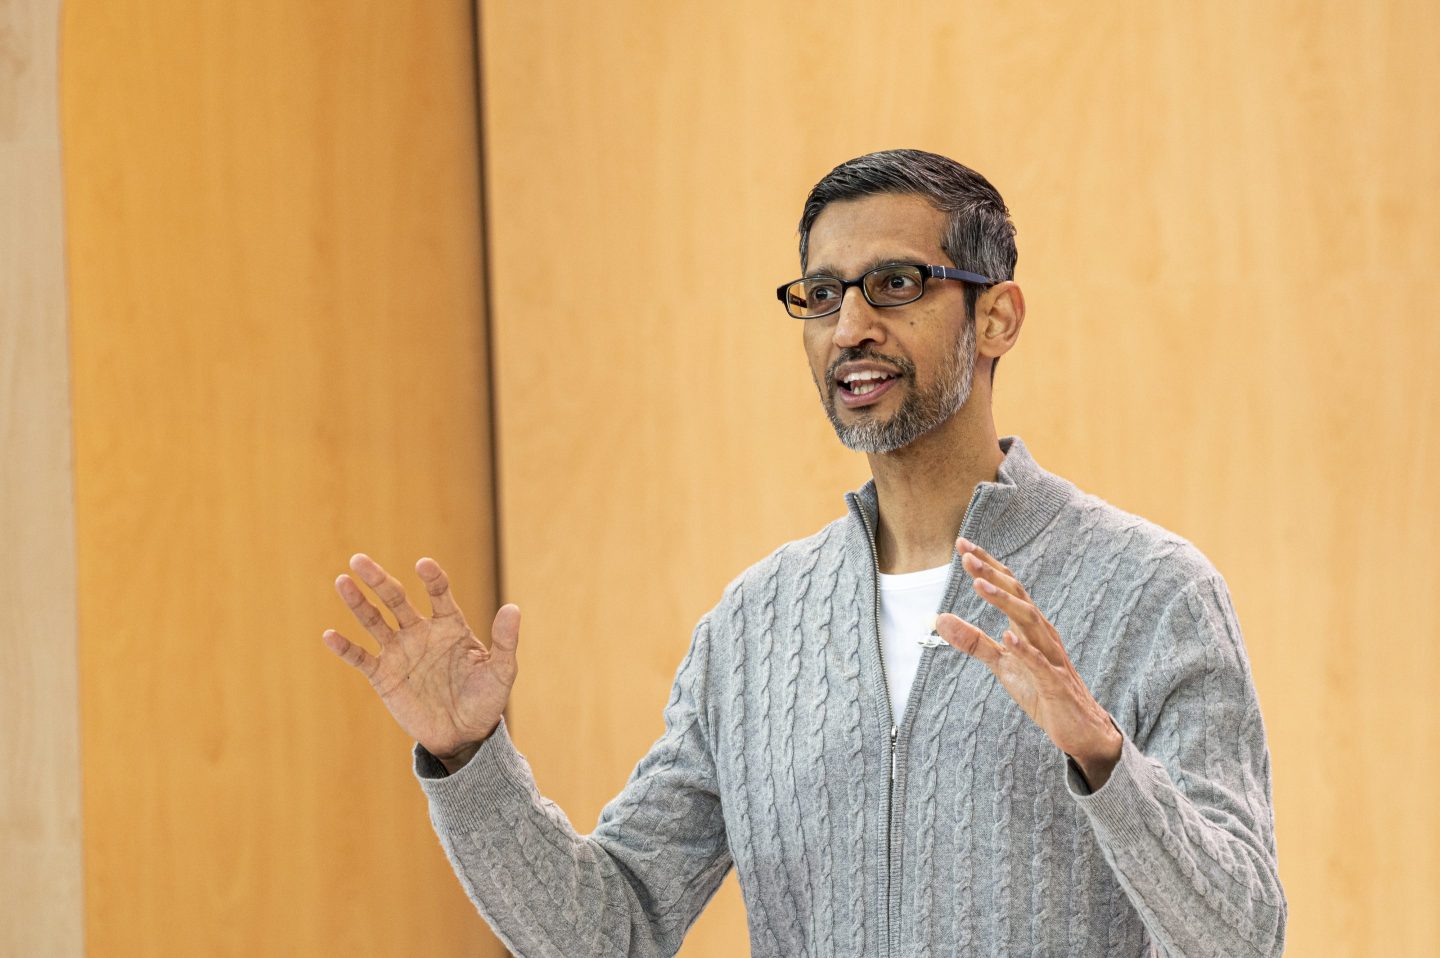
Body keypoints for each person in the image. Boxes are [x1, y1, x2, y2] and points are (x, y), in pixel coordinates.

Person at [323, 149, 1285, 957]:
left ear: (997, 317)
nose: (851, 327)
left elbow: (1243, 932)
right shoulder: (752, 626)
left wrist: (1102, 755)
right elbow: (608, 929)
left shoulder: (1153, 590)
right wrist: (469, 760)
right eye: (822, 296)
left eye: (896, 285)